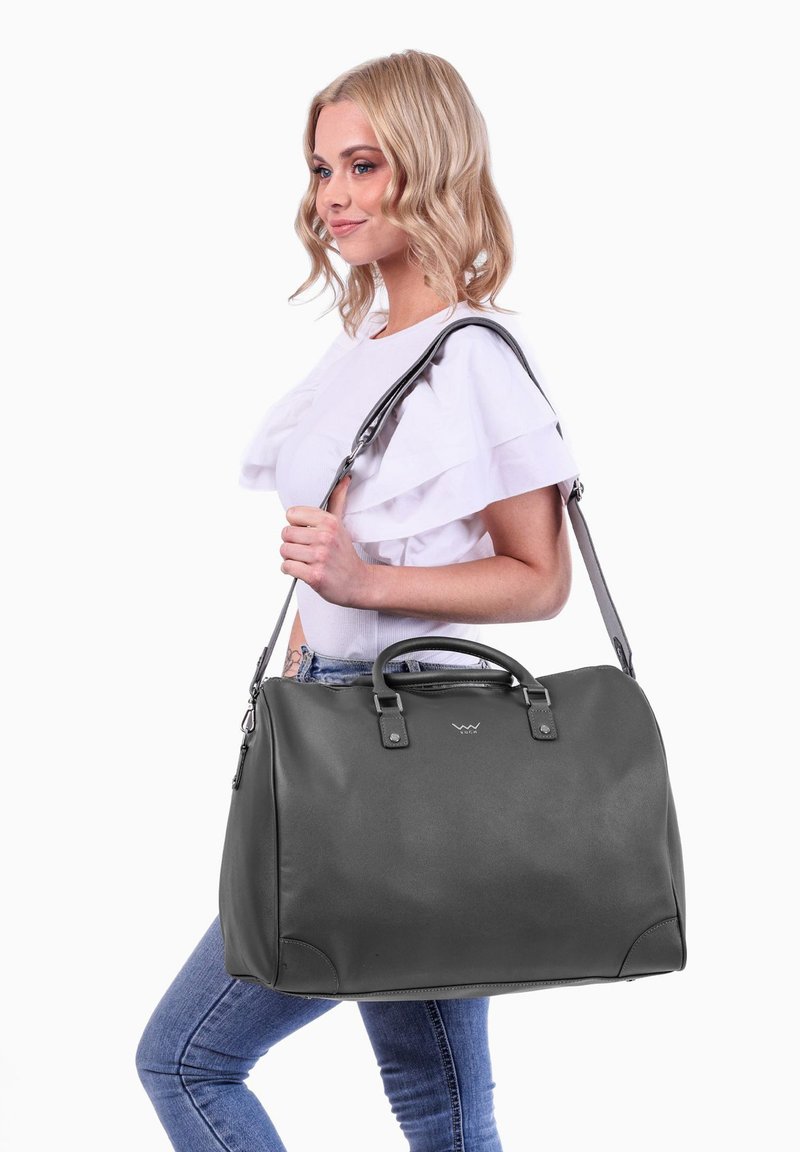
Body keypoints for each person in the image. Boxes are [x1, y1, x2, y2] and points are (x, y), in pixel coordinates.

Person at [136, 49, 580, 1152]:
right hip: (329, 728)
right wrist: (299, 667)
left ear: (429, 165)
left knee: (188, 1061)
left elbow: (541, 579)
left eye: (363, 165)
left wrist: (362, 582)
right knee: (439, 1105)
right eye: (321, 167)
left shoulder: (473, 356)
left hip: (411, 744)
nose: (332, 194)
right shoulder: (358, 347)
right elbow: (322, 554)